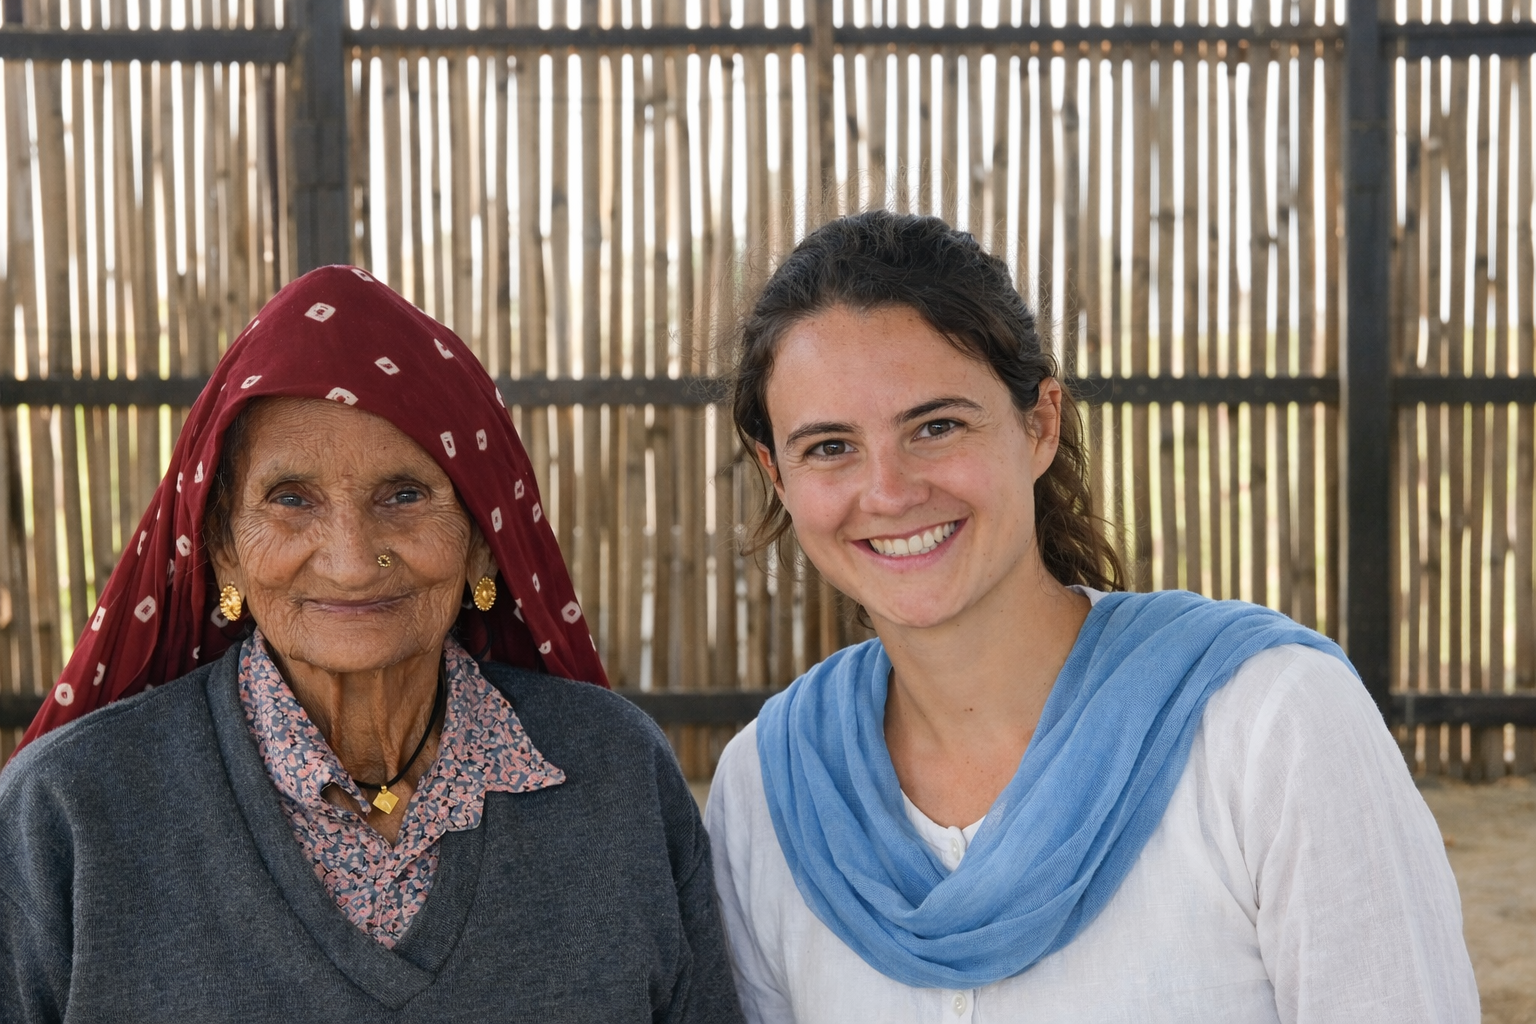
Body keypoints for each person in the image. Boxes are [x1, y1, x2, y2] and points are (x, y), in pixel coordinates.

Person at [704, 211, 1479, 1023]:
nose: (890, 491)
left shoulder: (1271, 725)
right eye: (829, 446)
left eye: (936, 426)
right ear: (778, 474)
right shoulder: (771, 786)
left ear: (1041, 425)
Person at [0, 266, 743, 1023]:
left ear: (484, 545)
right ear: (222, 548)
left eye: (405, 495)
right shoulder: (69, 814)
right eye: (291, 500)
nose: (352, 560)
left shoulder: (614, 775)